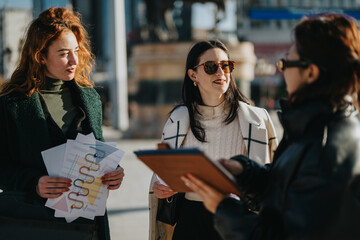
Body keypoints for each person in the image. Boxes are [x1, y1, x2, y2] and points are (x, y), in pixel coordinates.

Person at [182, 14, 360, 240]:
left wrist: (223, 208)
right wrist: (243, 171)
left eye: (286, 63)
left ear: (311, 72)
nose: (282, 70)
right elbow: (288, 186)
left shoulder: (326, 145)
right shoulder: (314, 123)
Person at [0, 7, 124, 240]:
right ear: (41, 55)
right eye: (64, 53)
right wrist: (34, 183)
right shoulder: (10, 103)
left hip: (87, 225)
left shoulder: (90, 98)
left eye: (77, 51)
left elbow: (98, 152)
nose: (74, 60)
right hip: (33, 223)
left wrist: (113, 173)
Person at [148, 40, 279, 240]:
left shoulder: (256, 119)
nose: (220, 72)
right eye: (210, 67)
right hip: (190, 220)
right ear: (193, 75)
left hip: (237, 218)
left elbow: (272, 178)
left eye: (226, 65)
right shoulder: (178, 119)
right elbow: (163, 175)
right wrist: (161, 188)